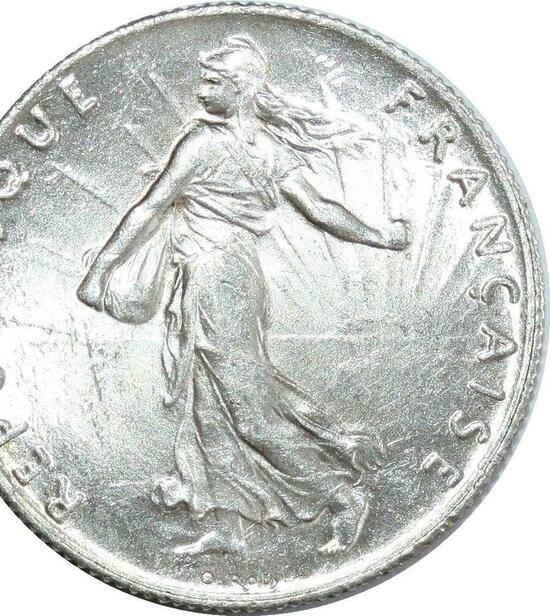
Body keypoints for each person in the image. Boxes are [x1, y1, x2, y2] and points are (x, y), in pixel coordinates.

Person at [78, 35, 409, 554]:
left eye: (213, 81)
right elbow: (321, 210)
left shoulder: (204, 144)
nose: (200, 90)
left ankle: (342, 496)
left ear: (243, 88)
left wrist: (101, 269)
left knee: (247, 407)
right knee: (207, 402)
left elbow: (150, 207)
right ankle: (229, 525)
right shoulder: (265, 149)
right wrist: (381, 236)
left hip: (217, 277)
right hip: (222, 274)